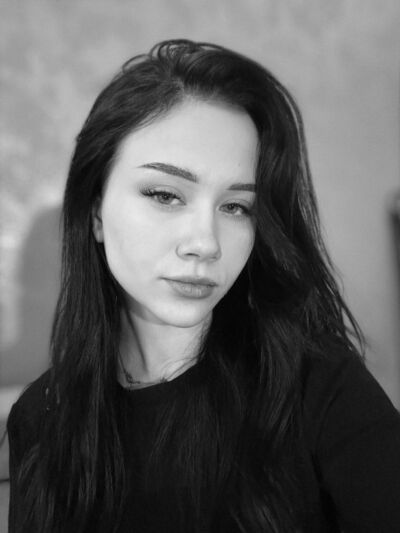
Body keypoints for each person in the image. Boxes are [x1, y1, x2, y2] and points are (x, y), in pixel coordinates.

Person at [6, 39, 400, 533]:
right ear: (96, 211)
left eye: (236, 207)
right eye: (165, 195)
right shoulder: (42, 418)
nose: (205, 243)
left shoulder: (317, 387)